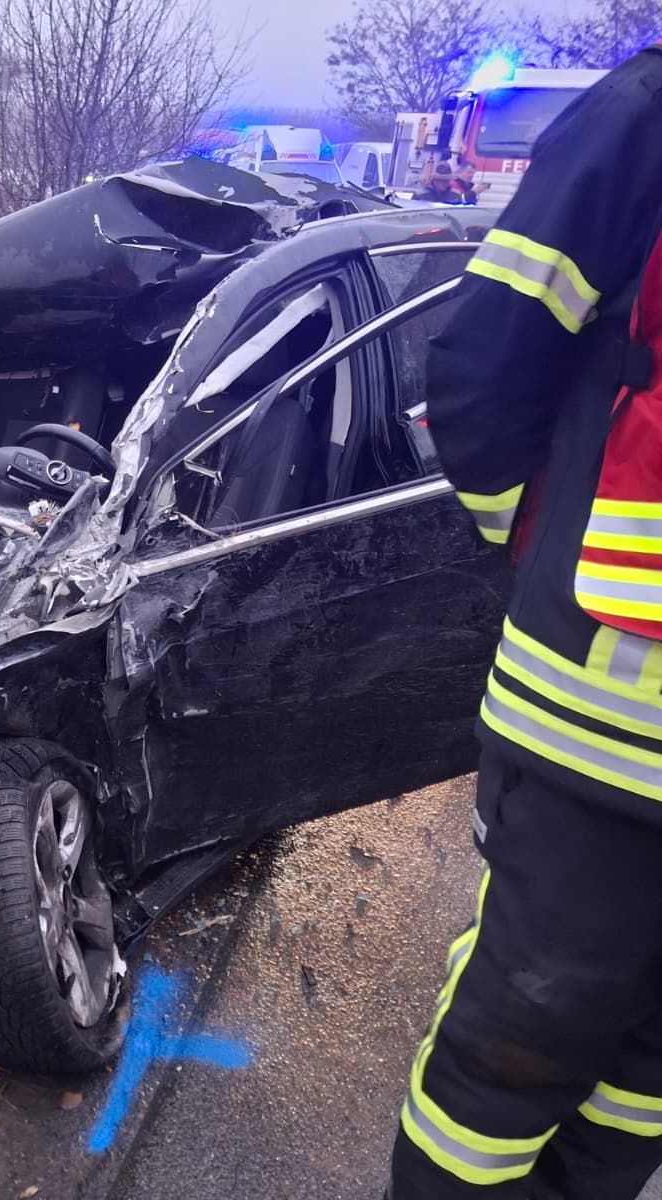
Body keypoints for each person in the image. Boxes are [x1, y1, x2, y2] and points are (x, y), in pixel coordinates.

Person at [388, 45, 662, 1200]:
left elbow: (483, 370)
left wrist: (533, 541)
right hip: (612, 716)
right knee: (584, 1052)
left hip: (608, 700)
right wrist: (542, 543)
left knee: (572, 1062)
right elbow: (486, 371)